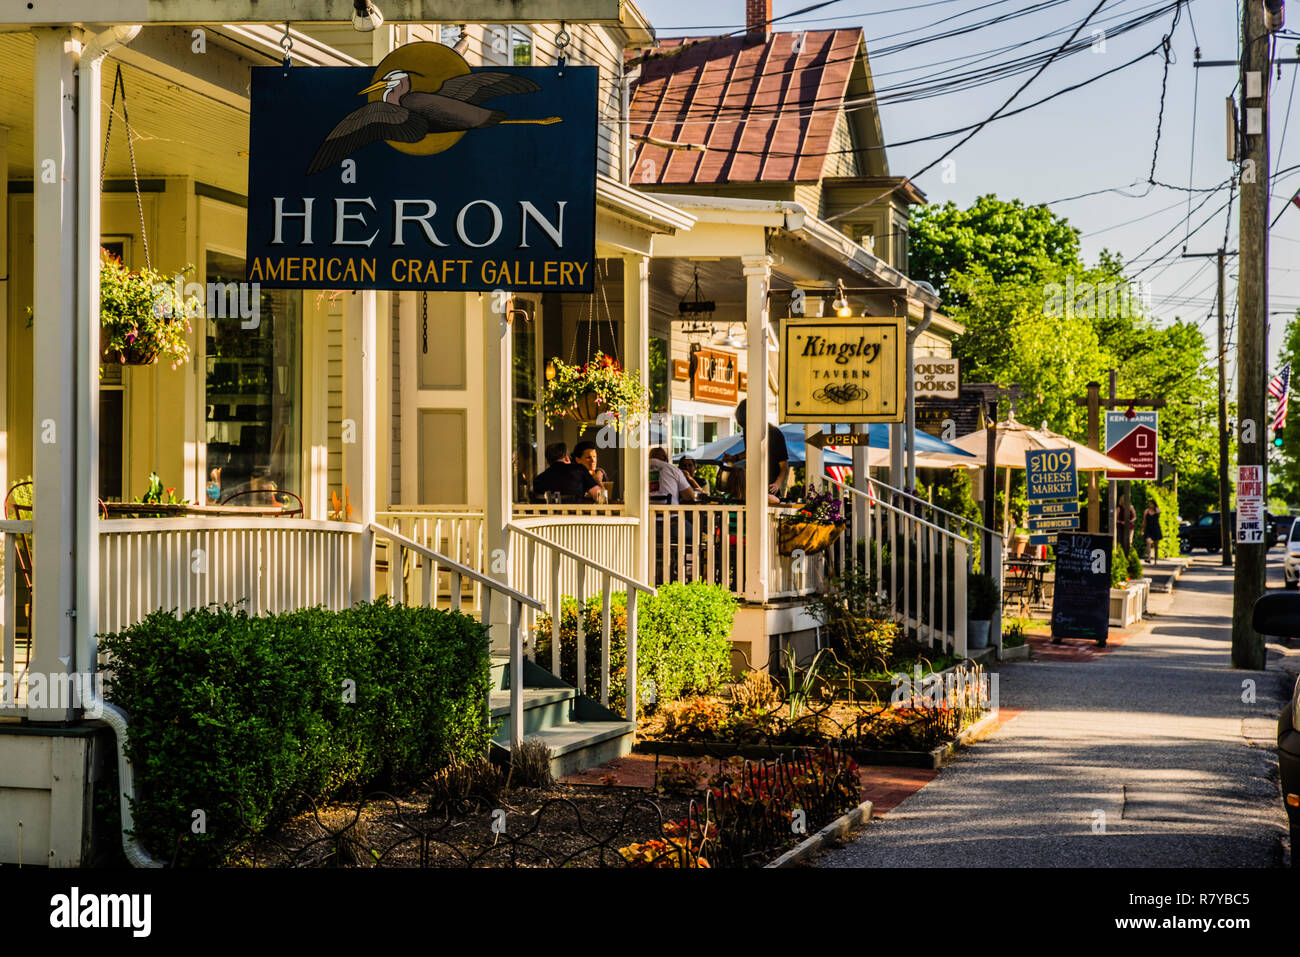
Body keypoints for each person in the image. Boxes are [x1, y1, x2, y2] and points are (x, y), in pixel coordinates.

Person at [729, 398, 789, 498]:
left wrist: (777, 484)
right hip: (753, 485)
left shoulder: (775, 433)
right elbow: (751, 451)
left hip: (770, 487)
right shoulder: (748, 431)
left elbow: (784, 466)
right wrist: (735, 458)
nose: (747, 428)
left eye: (748, 424)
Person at [532, 442, 601, 503]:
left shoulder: (538, 480)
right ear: (566, 457)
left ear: (548, 463)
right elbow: (600, 497)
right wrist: (598, 480)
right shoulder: (580, 470)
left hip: (546, 517)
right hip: (575, 517)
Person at [1142, 497, 1162, 562]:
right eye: (1149, 504)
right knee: (1148, 541)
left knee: (1156, 545)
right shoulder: (1146, 511)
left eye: (1151, 504)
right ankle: (1149, 557)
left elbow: (1160, 511)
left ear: (1154, 504)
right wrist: (1142, 530)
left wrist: (1155, 508)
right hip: (1148, 529)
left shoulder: (1157, 510)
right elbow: (1144, 521)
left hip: (1156, 529)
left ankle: (1155, 560)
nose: (1150, 505)